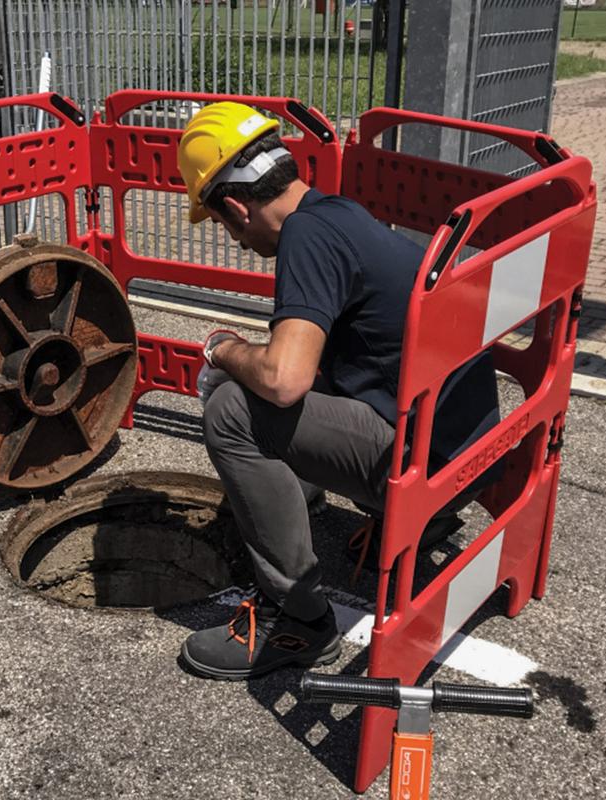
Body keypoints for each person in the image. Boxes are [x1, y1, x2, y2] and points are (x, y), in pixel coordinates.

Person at [175, 102, 501, 680]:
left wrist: (221, 351)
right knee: (285, 365)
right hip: (467, 444)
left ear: (233, 206)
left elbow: (283, 380)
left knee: (232, 406)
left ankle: (297, 619)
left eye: (222, 224)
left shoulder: (305, 239)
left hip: (428, 464)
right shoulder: (337, 212)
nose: (233, 237)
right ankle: (351, 515)